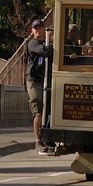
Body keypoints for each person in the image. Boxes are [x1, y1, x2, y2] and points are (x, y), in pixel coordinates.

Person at [25, 18, 52, 152]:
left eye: (39, 27)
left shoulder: (43, 43)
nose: (37, 30)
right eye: (35, 28)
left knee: (47, 111)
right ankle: (38, 141)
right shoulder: (33, 43)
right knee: (38, 112)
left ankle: (46, 138)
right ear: (32, 31)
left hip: (43, 80)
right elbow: (46, 52)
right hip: (33, 81)